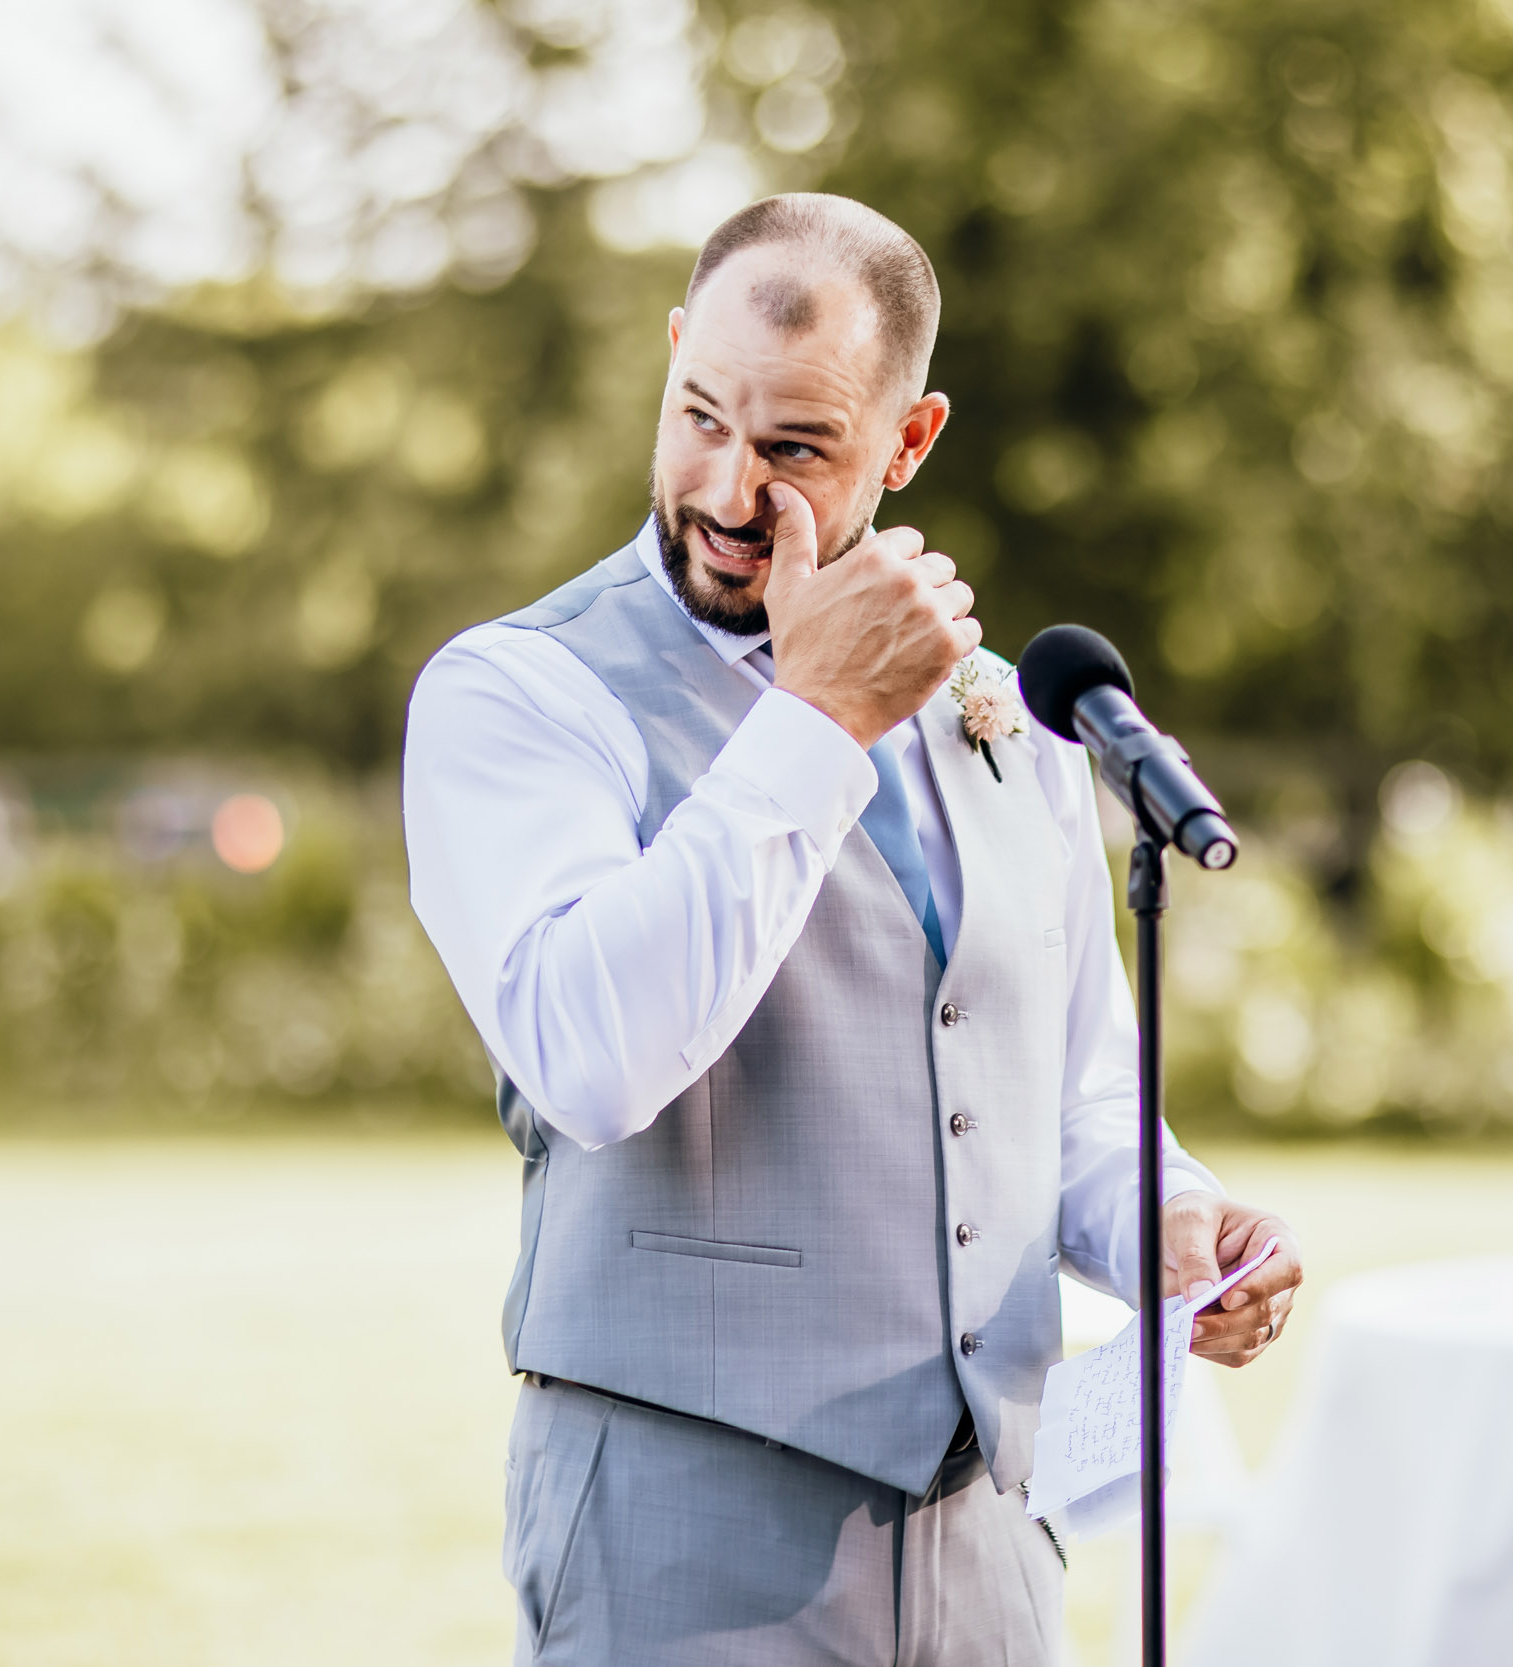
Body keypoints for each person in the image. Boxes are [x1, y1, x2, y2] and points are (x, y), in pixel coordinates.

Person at [403, 192, 1303, 1666]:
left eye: (797, 448)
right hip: (680, 1536)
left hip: (991, 1541)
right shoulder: (519, 694)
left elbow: (1068, 1096)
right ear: (677, 350)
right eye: (701, 415)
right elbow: (588, 1056)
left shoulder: (1020, 721)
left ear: (910, 441)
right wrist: (818, 716)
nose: (730, 487)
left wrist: (1172, 1221)